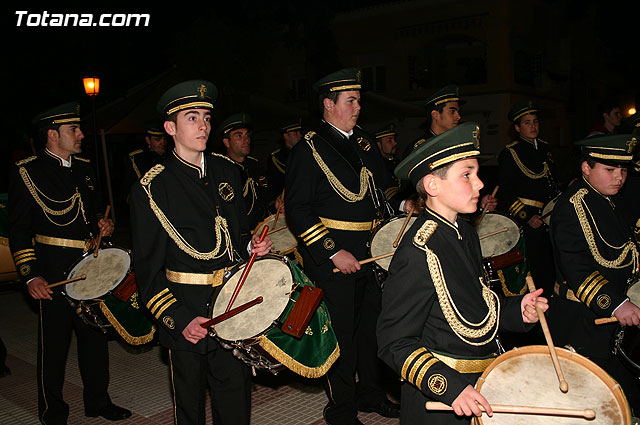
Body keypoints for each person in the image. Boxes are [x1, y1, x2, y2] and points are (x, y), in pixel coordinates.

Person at [377, 122, 547, 424]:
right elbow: (394, 342)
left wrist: (517, 311)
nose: (480, 184)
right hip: (442, 401)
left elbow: (474, 304)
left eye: (477, 174)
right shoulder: (419, 250)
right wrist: (451, 388)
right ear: (432, 186)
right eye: (467, 175)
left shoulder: (464, 233)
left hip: (483, 380)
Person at [130, 80, 272, 425]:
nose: (203, 125)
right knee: (190, 410)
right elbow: (147, 272)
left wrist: (252, 246)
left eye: (206, 117)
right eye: (192, 117)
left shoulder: (227, 171)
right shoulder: (152, 187)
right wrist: (178, 319)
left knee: (236, 404)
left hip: (231, 306)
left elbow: (235, 236)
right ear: (170, 128)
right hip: (186, 311)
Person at [285, 68, 399, 425]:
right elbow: (297, 210)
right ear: (329, 105)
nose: (358, 107)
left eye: (359, 100)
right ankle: (341, 409)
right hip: (334, 256)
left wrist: (404, 206)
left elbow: (385, 187)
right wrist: (333, 250)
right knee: (342, 335)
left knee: (371, 330)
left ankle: (370, 394)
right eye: (351, 101)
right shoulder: (309, 147)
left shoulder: (364, 141)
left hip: (370, 251)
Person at [9, 102, 130, 423]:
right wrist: (30, 276)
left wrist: (105, 227)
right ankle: (53, 411)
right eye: (73, 130)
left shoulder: (85, 167)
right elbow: (19, 232)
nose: (80, 135)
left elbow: (90, 216)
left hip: (89, 271)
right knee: (54, 347)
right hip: (51, 274)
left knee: (95, 340)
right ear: (52, 134)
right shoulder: (27, 172)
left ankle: (98, 402)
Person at [549, 133, 640, 414]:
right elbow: (576, 268)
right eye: (610, 170)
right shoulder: (571, 206)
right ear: (586, 168)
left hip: (605, 319)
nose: (619, 177)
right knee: (593, 402)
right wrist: (617, 303)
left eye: (623, 170)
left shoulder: (604, 200)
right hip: (583, 321)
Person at [400, 85, 496, 215]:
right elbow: (410, 193)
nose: (458, 116)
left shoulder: (461, 144)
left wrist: (480, 203)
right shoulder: (418, 150)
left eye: (458, 112)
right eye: (452, 111)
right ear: (435, 115)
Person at [497, 100, 560, 295]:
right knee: (536, 267)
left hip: (548, 215)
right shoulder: (510, 152)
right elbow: (505, 192)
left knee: (552, 263)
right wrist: (526, 216)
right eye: (527, 122)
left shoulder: (544, 148)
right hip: (527, 221)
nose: (533, 126)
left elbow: (552, 182)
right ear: (517, 127)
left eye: (535, 121)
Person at [218, 113, 274, 229]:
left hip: (263, 230)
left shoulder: (255, 166)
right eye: (239, 136)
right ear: (227, 142)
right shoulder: (221, 170)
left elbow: (266, 198)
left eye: (247, 135)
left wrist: (276, 205)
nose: (246, 140)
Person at [266, 118, 303, 200]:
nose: (300, 135)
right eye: (296, 133)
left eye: (300, 132)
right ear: (286, 136)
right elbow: (274, 187)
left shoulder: (305, 154)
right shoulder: (277, 158)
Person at [126, 122, 168, 190]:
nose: (163, 143)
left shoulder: (170, 155)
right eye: (158, 140)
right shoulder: (139, 158)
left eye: (165, 139)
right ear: (148, 140)